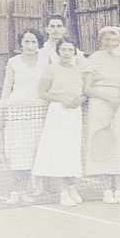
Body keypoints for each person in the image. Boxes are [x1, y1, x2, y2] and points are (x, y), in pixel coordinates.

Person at [32, 37, 85, 207]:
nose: (67, 53)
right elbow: (42, 92)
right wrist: (61, 99)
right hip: (57, 113)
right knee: (58, 152)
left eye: (70, 50)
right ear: (58, 52)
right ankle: (63, 192)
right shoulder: (51, 69)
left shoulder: (79, 69)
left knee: (71, 152)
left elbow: (84, 92)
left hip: (74, 114)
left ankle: (71, 188)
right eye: (64, 50)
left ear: (75, 52)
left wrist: (80, 100)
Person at [83, 26, 120, 205]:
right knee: (101, 145)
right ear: (101, 40)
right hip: (100, 105)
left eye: (113, 40)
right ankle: (107, 192)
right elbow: (86, 88)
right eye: (106, 39)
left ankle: (119, 192)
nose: (110, 43)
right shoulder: (93, 59)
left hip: (117, 106)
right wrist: (108, 98)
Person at [0, 28, 48, 204]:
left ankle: (25, 190)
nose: (30, 45)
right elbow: (7, 88)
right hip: (17, 111)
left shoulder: (46, 60)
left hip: (38, 112)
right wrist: (2, 111)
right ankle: (15, 191)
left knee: (32, 152)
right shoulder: (13, 62)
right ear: (20, 43)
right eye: (26, 41)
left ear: (39, 43)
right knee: (19, 152)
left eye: (33, 41)